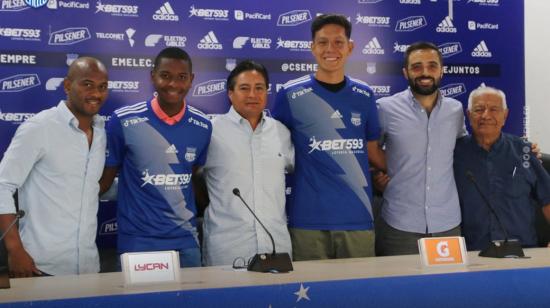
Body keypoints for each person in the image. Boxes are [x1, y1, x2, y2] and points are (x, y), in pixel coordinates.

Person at [272, 14, 386, 261]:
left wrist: (393, 173)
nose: (330, 49)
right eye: (323, 42)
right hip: (308, 221)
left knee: (358, 298)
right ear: (312, 47)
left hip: (357, 219)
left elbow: (373, 151)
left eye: (338, 42)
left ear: (350, 47)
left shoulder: (364, 95)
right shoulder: (290, 95)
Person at [99, 47, 211, 268]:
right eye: (165, 76)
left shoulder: (203, 126)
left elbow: (194, 176)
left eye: (182, 77)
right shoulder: (123, 120)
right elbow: (105, 179)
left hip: (186, 240)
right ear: (153, 76)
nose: (173, 84)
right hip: (139, 242)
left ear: (192, 80)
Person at [0, 57, 109, 277]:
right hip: (40, 266)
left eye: (102, 87)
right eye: (87, 84)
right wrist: (15, 249)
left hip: (88, 268)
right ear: (67, 86)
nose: (96, 93)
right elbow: (2, 185)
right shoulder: (39, 128)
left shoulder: (100, 131)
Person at [375, 42, 466, 256]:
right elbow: (368, 153)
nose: (425, 72)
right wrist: (376, 176)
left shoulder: (456, 110)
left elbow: (468, 150)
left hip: (447, 224)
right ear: (405, 72)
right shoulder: (385, 108)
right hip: (399, 224)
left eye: (432, 66)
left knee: (447, 288)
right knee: (399, 288)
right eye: (416, 67)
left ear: (442, 71)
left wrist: (521, 149)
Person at [201, 60, 294, 266]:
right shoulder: (210, 132)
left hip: (276, 249)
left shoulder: (282, 133)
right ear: (230, 93)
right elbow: (190, 178)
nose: (253, 95)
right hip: (227, 251)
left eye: (259, 88)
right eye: (244, 88)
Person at [454, 85, 550, 250]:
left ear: (505, 115)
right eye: (479, 109)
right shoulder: (454, 153)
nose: (486, 115)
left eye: (494, 109)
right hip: (472, 253)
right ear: (469, 115)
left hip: (522, 251)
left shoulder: (524, 151)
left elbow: (547, 198)